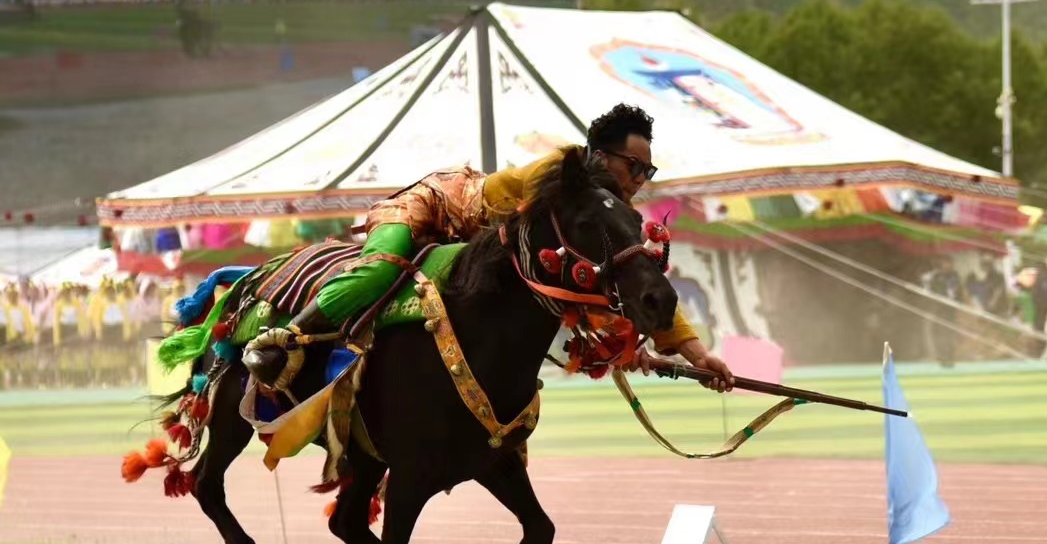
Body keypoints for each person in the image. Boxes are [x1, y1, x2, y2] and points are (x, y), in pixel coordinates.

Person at [245, 104, 735, 391]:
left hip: (473, 247)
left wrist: (694, 353)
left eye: (648, 173)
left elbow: (625, 276)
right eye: (635, 167)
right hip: (432, 209)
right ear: (599, 156)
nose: (640, 182)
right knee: (381, 270)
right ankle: (279, 340)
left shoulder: (599, 209)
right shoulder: (560, 178)